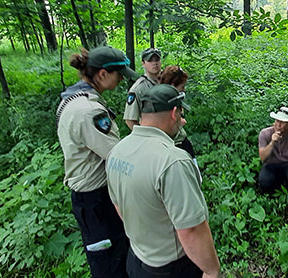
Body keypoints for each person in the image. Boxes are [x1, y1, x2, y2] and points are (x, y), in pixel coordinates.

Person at [106, 84, 220, 278]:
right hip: (172, 269)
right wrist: (212, 270)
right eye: (182, 114)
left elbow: (119, 206)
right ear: (174, 113)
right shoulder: (172, 161)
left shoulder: (117, 151)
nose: (183, 121)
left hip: (136, 261)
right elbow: (191, 229)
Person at [56, 46, 139, 278]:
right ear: (102, 74)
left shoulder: (73, 100)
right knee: (110, 260)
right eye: (119, 74)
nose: (122, 79)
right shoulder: (89, 111)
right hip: (97, 199)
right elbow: (116, 156)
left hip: (90, 199)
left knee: (108, 253)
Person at [258, 107, 288, 196]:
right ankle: (271, 197)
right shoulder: (265, 133)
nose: (278, 125)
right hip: (270, 165)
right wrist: (272, 142)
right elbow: (262, 157)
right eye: (277, 121)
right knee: (265, 181)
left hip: (287, 165)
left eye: (282, 122)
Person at [157, 65, 195, 158]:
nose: (184, 89)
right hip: (173, 146)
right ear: (173, 85)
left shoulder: (176, 99)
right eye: (182, 86)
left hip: (182, 143)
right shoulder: (160, 102)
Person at [124, 47, 161, 130]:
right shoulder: (138, 88)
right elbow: (130, 120)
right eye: (150, 60)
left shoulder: (167, 81)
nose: (154, 63)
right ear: (143, 63)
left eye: (157, 60)